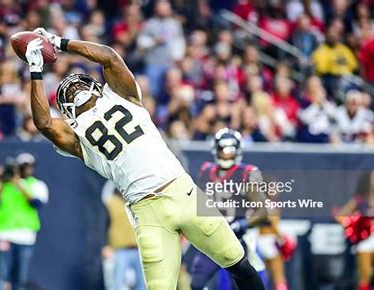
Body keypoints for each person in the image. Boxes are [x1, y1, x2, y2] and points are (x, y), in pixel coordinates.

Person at [24, 28, 265, 290]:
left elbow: (110, 57)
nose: (76, 90)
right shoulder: (77, 137)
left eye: (79, 84)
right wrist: (36, 70)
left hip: (182, 191)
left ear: (96, 86)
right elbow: (45, 123)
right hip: (147, 211)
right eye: (68, 94)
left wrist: (60, 42)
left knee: (238, 262)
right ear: (68, 112)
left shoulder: (122, 96)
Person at [190, 128, 269, 290]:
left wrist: (242, 224)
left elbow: (263, 211)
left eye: (231, 149)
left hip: (237, 239)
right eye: (223, 149)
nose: (226, 154)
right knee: (196, 284)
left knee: (244, 284)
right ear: (215, 149)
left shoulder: (248, 172)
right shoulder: (205, 170)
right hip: (210, 238)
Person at [0, 153, 49, 290]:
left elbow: (36, 203)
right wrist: (3, 182)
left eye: (29, 166)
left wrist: (19, 184)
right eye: (23, 166)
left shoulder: (37, 185)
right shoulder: (1, 184)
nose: (27, 169)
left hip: (25, 237)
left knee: (21, 279)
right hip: (4, 236)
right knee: (3, 279)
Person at [336, 170, 374, 290]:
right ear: (368, 180)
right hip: (364, 240)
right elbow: (340, 215)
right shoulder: (359, 200)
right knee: (365, 274)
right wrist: (355, 224)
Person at [102, 189, 144, 290]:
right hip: (119, 250)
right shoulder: (110, 203)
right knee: (116, 284)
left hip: (139, 250)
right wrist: (105, 244)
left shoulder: (135, 202)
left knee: (142, 285)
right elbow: (103, 225)